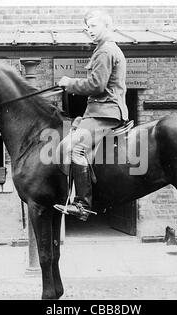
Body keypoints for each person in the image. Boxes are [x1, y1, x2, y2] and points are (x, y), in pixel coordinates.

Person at [53, 10, 129, 221]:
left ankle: (82, 204)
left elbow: (97, 85)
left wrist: (69, 83)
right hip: (99, 112)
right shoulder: (104, 49)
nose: (90, 30)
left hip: (105, 113)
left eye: (94, 26)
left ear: (107, 27)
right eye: (87, 27)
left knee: (75, 149)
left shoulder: (105, 51)